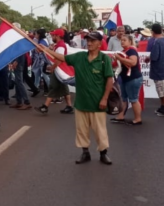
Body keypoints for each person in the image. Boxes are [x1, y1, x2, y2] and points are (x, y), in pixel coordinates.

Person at [38, 31, 114, 165]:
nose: (89, 43)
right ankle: (85, 153)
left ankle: (103, 153)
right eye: (88, 40)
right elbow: (62, 57)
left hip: (98, 102)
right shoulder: (79, 57)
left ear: (99, 43)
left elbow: (109, 79)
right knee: (81, 130)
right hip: (81, 102)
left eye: (93, 41)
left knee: (100, 131)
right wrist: (45, 49)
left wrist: (105, 99)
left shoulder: (104, 59)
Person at [35, 29, 74, 114]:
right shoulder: (59, 45)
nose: (52, 37)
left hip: (58, 70)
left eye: (53, 35)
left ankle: (45, 106)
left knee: (53, 87)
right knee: (64, 88)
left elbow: (60, 59)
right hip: (59, 70)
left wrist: (52, 67)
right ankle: (69, 106)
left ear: (58, 36)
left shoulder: (60, 46)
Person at [110, 35, 143, 125]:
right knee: (124, 99)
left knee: (133, 99)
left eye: (124, 40)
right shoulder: (123, 52)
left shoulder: (132, 50)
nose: (122, 42)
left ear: (130, 41)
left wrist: (119, 58)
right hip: (125, 78)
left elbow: (133, 62)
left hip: (133, 78)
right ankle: (120, 116)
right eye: (121, 40)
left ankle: (138, 119)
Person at [146, 24, 164, 117]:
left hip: (160, 70)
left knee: (162, 91)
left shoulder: (157, 42)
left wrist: (148, 58)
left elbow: (154, 56)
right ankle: (163, 107)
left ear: (152, 32)